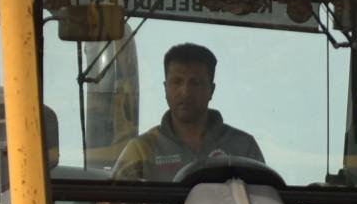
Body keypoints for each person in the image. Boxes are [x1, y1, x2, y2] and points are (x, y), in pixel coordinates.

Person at [108, 41, 267, 182]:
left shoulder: (244, 147)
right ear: (165, 88)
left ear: (211, 90)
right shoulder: (141, 150)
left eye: (195, 83)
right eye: (177, 82)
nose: (185, 92)